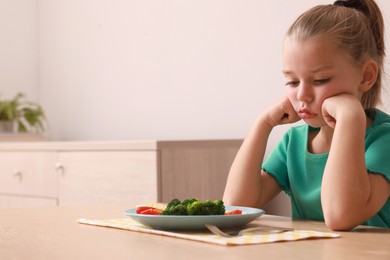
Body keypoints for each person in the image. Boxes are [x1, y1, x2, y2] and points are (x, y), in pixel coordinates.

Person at [223, 0, 390, 231]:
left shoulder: (384, 140)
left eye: (320, 80)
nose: (302, 95)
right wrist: (262, 124)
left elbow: (341, 216)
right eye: (292, 81)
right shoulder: (294, 143)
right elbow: (236, 206)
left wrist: (350, 118)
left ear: (366, 77)